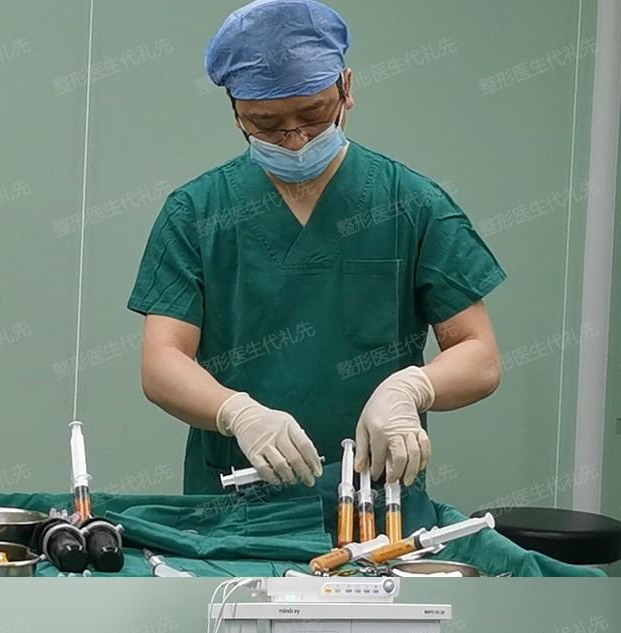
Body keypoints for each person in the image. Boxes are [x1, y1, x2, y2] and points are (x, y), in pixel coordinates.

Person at [130, 0, 504, 496]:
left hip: (376, 501)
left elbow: (479, 355)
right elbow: (162, 363)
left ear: (346, 87)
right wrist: (236, 412)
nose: (295, 139)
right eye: (267, 123)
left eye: (313, 113)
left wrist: (412, 387)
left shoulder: (410, 203)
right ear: (236, 113)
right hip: (235, 506)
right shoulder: (198, 213)